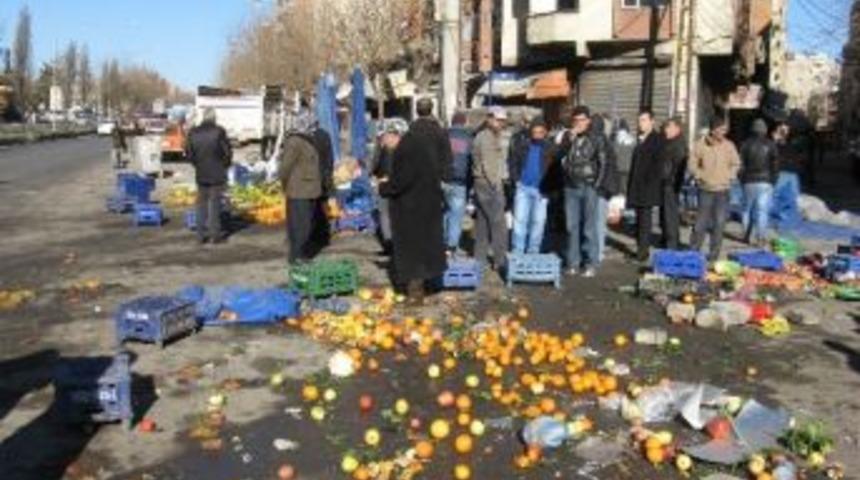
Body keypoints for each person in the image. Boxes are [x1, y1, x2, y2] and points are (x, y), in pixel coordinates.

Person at [379, 100, 447, 305]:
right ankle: (425, 285)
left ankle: (415, 294)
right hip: (424, 205)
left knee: (413, 251)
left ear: (394, 135)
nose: (383, 143)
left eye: (384, 138)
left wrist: (384, 187)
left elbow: (403, 180)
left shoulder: (406, 149)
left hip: (414, 209)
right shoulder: (414, 145)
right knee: (423, 249)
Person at [558, 106, 613, 277]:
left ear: (588, 121)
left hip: (589, 185)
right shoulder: (569, 136)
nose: (579, 123)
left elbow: (603, 162)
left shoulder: (597, 137)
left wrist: (597, 185)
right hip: (570, 186)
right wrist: (569, 140)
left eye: (582, 120)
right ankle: (573, 262)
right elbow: (558, 155)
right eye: (576, 120)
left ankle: (590, 263)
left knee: (589, 227)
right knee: (571, 226)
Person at [688, 117, 741, 261]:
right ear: (713, 130)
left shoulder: (729, 146)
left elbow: (736, 163)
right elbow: (692, 163)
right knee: (700, 223)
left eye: (725, 129)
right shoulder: (700, 145)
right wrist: (699, 175)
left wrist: (730, 176)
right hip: (705, 190)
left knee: (719, 224)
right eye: (721, 129)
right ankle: (693, 252)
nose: (724, 132)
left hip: (723, 191)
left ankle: (713, 256)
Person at [509, 116, 556, 254]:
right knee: (520, 221)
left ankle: (533, 250)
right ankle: (518, 249)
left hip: (541, 190)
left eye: (540, 132)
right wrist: (516, 179)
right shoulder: (522, 145)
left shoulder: (550, 147)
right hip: (523, 188)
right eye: (535, 132)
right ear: (531, 132)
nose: (537, 135)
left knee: (538, 222)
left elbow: (555, 168)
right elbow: (512, 161)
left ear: (545, 132)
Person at [280, 116, 323, 264]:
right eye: (312, 125)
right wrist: (285, 185)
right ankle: (297, 256)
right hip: (299, 190)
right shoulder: (295, 141)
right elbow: (285, 167)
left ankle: (300, 255)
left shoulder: (307, 140)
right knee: (300, 226)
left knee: (305, 224)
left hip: (308, 189)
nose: (314, 129)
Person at [472, 107, 510, 272]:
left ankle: (479, 259)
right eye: (498, 120)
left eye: (502, 121)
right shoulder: (487, 137)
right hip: (489, 184)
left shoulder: (482, 135)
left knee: (483, 223)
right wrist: (496, 185)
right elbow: (489, 164)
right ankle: (500, 261)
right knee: (498, 223)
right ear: (489, 119)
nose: (500, 124)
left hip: (481, 182)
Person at [186, 108, 233, 244]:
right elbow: (227, 152)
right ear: (214, 117)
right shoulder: (219, 131)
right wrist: (224, 165)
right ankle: (215, 235)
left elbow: (189, 153)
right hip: (217, 173)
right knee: (214, 204)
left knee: (201, 205)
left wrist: (197, 165)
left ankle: (200, 236)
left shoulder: (193, 132)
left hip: (201, 173)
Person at [627, 110, 664, 261]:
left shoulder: (656, 140)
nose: (640, 123)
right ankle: (640, 249)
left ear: (652, 121)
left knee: (644, 222)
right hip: (638, 186)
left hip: (647, 187)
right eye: (639, 120)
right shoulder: (641, 139)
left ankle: (642, 253)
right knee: (639, 221)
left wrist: (649, 182)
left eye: (643, 120)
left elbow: (657, 166)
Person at [739, 118, 779, 246]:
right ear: (765, 130)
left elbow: (740, 165)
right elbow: (775, 165)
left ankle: (747, 236)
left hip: (748, 180)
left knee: (746, 209)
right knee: (762, 210)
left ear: (752, 130)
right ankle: (760, 237)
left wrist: (742, 180)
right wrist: (773, 181)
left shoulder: (745, 144)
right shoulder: (771, 145)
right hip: (765, 181)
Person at [372, 121, 403, 253]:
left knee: (386, 214)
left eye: (385, 136)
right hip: (390, 185)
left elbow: (376, 166)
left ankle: (390, 243)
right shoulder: (392, 149)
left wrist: (383, 177)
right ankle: (391, 243)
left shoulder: (386, 150)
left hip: (388, 185)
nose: (384, 139)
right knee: (388, 214)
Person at [444, 111, 473, 255]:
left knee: (444, 212)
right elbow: (471, 160)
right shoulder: (469, 138)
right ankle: (451, 246)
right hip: (460, 181)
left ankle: (442, 243)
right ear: (464, 122)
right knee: (456, 215)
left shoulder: (444, 135)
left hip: (443, 180)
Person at [658, 117, 688, 250]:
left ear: (677, 128)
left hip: (671, 184)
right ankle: (666, 239)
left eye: (669, 127)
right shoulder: (669, 142)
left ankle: (672, 242)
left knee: (670, 214)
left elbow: (678, 167)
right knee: (665, 213)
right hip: (666, 182)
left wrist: (671, 180)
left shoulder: (678, 144)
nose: (666, 130)